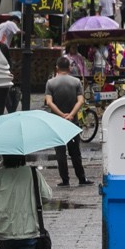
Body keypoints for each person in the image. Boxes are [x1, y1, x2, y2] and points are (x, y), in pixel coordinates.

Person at [43, 57, 88, 186]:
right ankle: (81, 178)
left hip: (57, 123)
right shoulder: (76, 82)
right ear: (69, 68)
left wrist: (61, 115)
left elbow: (49, 102)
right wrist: (71, 115)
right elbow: (80, 101)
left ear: (57, 67)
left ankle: (65, 179)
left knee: (60, 152)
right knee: (75, 152)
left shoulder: (50, 83)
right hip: (72, 122)